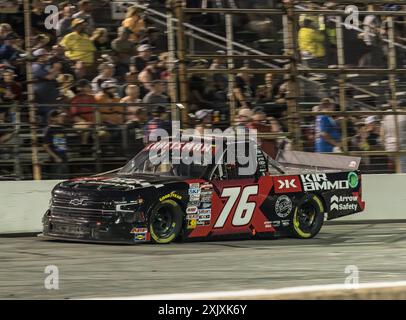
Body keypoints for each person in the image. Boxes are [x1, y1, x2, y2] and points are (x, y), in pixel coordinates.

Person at [31, 48, 61, 123]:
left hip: (47, 91)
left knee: (51, 109)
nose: (46, 57)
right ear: (39, 57)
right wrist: (56, 68)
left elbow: (51, 74)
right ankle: (44, 126)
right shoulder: (36, 66)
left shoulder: (42, 65)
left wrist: (55, 69)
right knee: (46, 110)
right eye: (44, 56)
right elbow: (49, 77)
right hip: (41, 91)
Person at [42, 109, 69, 178]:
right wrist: (55, 157)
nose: (62, 118)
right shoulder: (49, 129)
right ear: (53, 118)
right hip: (56, 159)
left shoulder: (62, 128)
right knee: (57, 178)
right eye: (59, 116)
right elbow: (45, 146)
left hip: (64, 158)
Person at [70, 79, 96, 145]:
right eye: (87, 86)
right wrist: (86, 123)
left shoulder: (92, 98)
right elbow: (75, 116)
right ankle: (84, 147)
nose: (90, 87)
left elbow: (96, 112)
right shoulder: (76, 99)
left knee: (104, 134)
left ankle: (98, 149)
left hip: (93, 123)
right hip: (79, 123)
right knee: (86, 129)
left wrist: (96, 122)